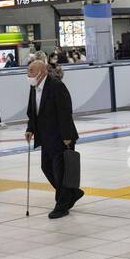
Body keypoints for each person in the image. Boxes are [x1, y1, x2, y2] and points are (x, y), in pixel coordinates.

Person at [25, 55, 82, 218]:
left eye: (31, 71)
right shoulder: (34, 87)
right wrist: (30, 128)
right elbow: (32, 112)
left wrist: (67, 137)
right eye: (28, 71)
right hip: (45, 137)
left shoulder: (56, 86)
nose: (28, 74)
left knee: (61, 172)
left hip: (60, 136)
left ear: (42, 72)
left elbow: (65, 113)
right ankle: (73, 193)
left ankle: (62, 205)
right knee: (47, 167)